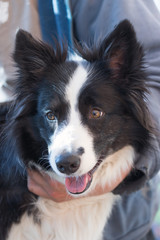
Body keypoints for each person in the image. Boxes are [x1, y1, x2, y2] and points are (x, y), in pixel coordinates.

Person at [0, 0, 160, 239]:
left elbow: (155, 72)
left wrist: (115, 177)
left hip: (122, 228)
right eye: (52, 115)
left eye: (94, 113)